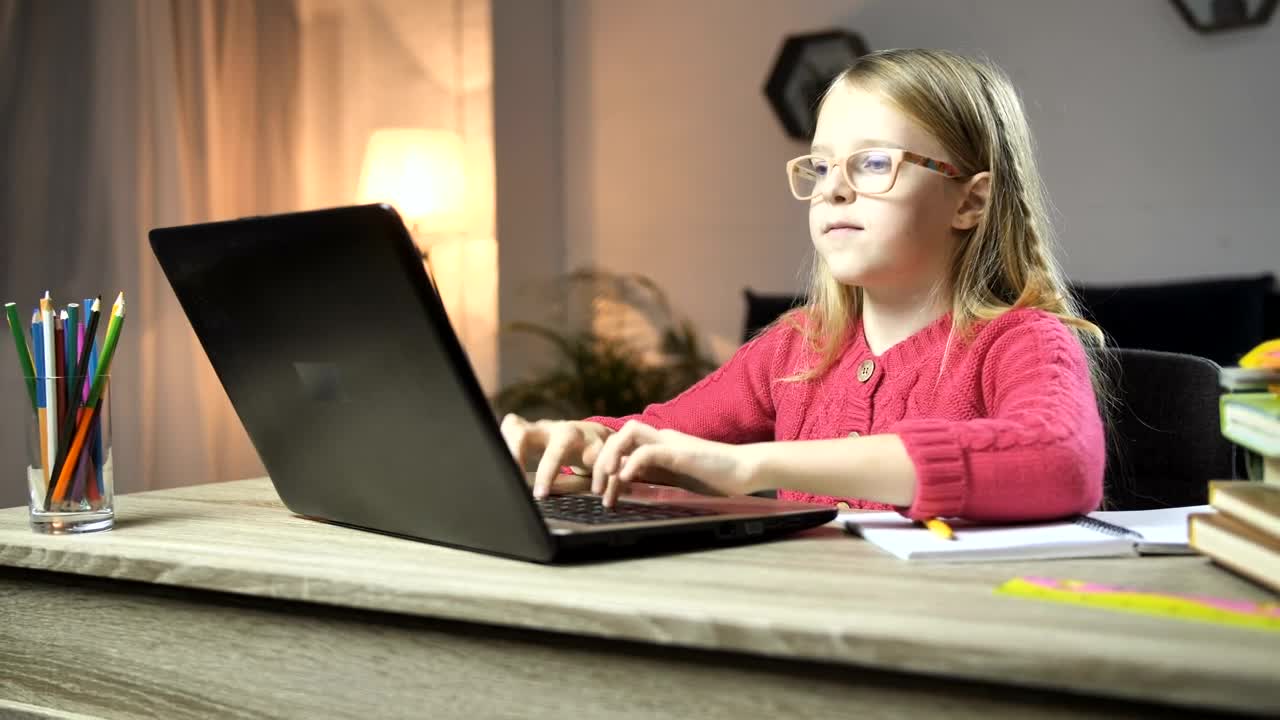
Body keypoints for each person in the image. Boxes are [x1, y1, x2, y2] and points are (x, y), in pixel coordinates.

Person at [500, 48, 1107, 522]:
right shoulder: (796, 350)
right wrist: (584, 439)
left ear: (970, 200)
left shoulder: (1023, 340)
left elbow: (1062, 460)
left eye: (873, 163)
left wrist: (749, 465)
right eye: (821, 165)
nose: (831, 189)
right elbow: (663, 436)